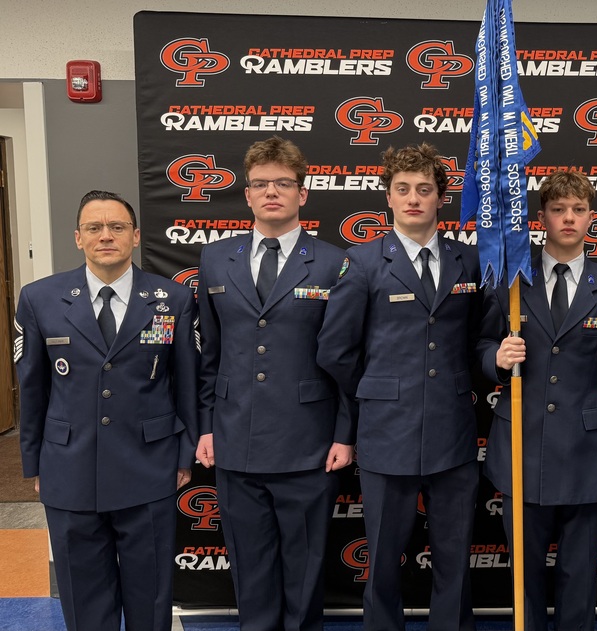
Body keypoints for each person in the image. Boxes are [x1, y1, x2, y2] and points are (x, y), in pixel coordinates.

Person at [317, 142, 481, 631]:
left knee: (455, 556)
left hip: (453, 429)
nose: (413, 198)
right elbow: (335, 349)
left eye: (424, 189)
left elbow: (478, 338)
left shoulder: (469, 261)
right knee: (384, 557)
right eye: (403, 189)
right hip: (386, 431)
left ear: (441, 198)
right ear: (388, 197)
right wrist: (377, 389)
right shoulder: (363, 261)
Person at [15, 190, 198, 631]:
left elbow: (187, 384)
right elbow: (32, 388)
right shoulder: (39, 298)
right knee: (84, 600)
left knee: (150, 598)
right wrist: (35, 463)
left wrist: (184, 455)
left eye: (117, 227)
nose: (106, 236)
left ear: (135, 236)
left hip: (149, 466)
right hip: (69, 469)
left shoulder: (173, 299)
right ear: (78, 238)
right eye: (94, 228)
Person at [195, 136, 350, 631]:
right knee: (250, 566)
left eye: (283, 183)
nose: (271, 192)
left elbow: (348, 360)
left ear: (302, 193)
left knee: (304, 571)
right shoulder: (215, 259)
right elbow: (209, 354)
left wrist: (344, 433)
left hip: (309, 442)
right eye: (260, 183)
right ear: (247, 195)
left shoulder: (335, 262)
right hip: (234, 438)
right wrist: (205, 426)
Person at [480, 169, 597, 631]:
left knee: (579, 573)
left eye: (578, 209)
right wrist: (496, 357)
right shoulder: (510, 280)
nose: (568, 218)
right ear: (541, 218)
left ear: (592, 217)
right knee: (524, 574)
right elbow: (478, 344)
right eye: (558, 209)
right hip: (521, 445)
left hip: (587, 450)